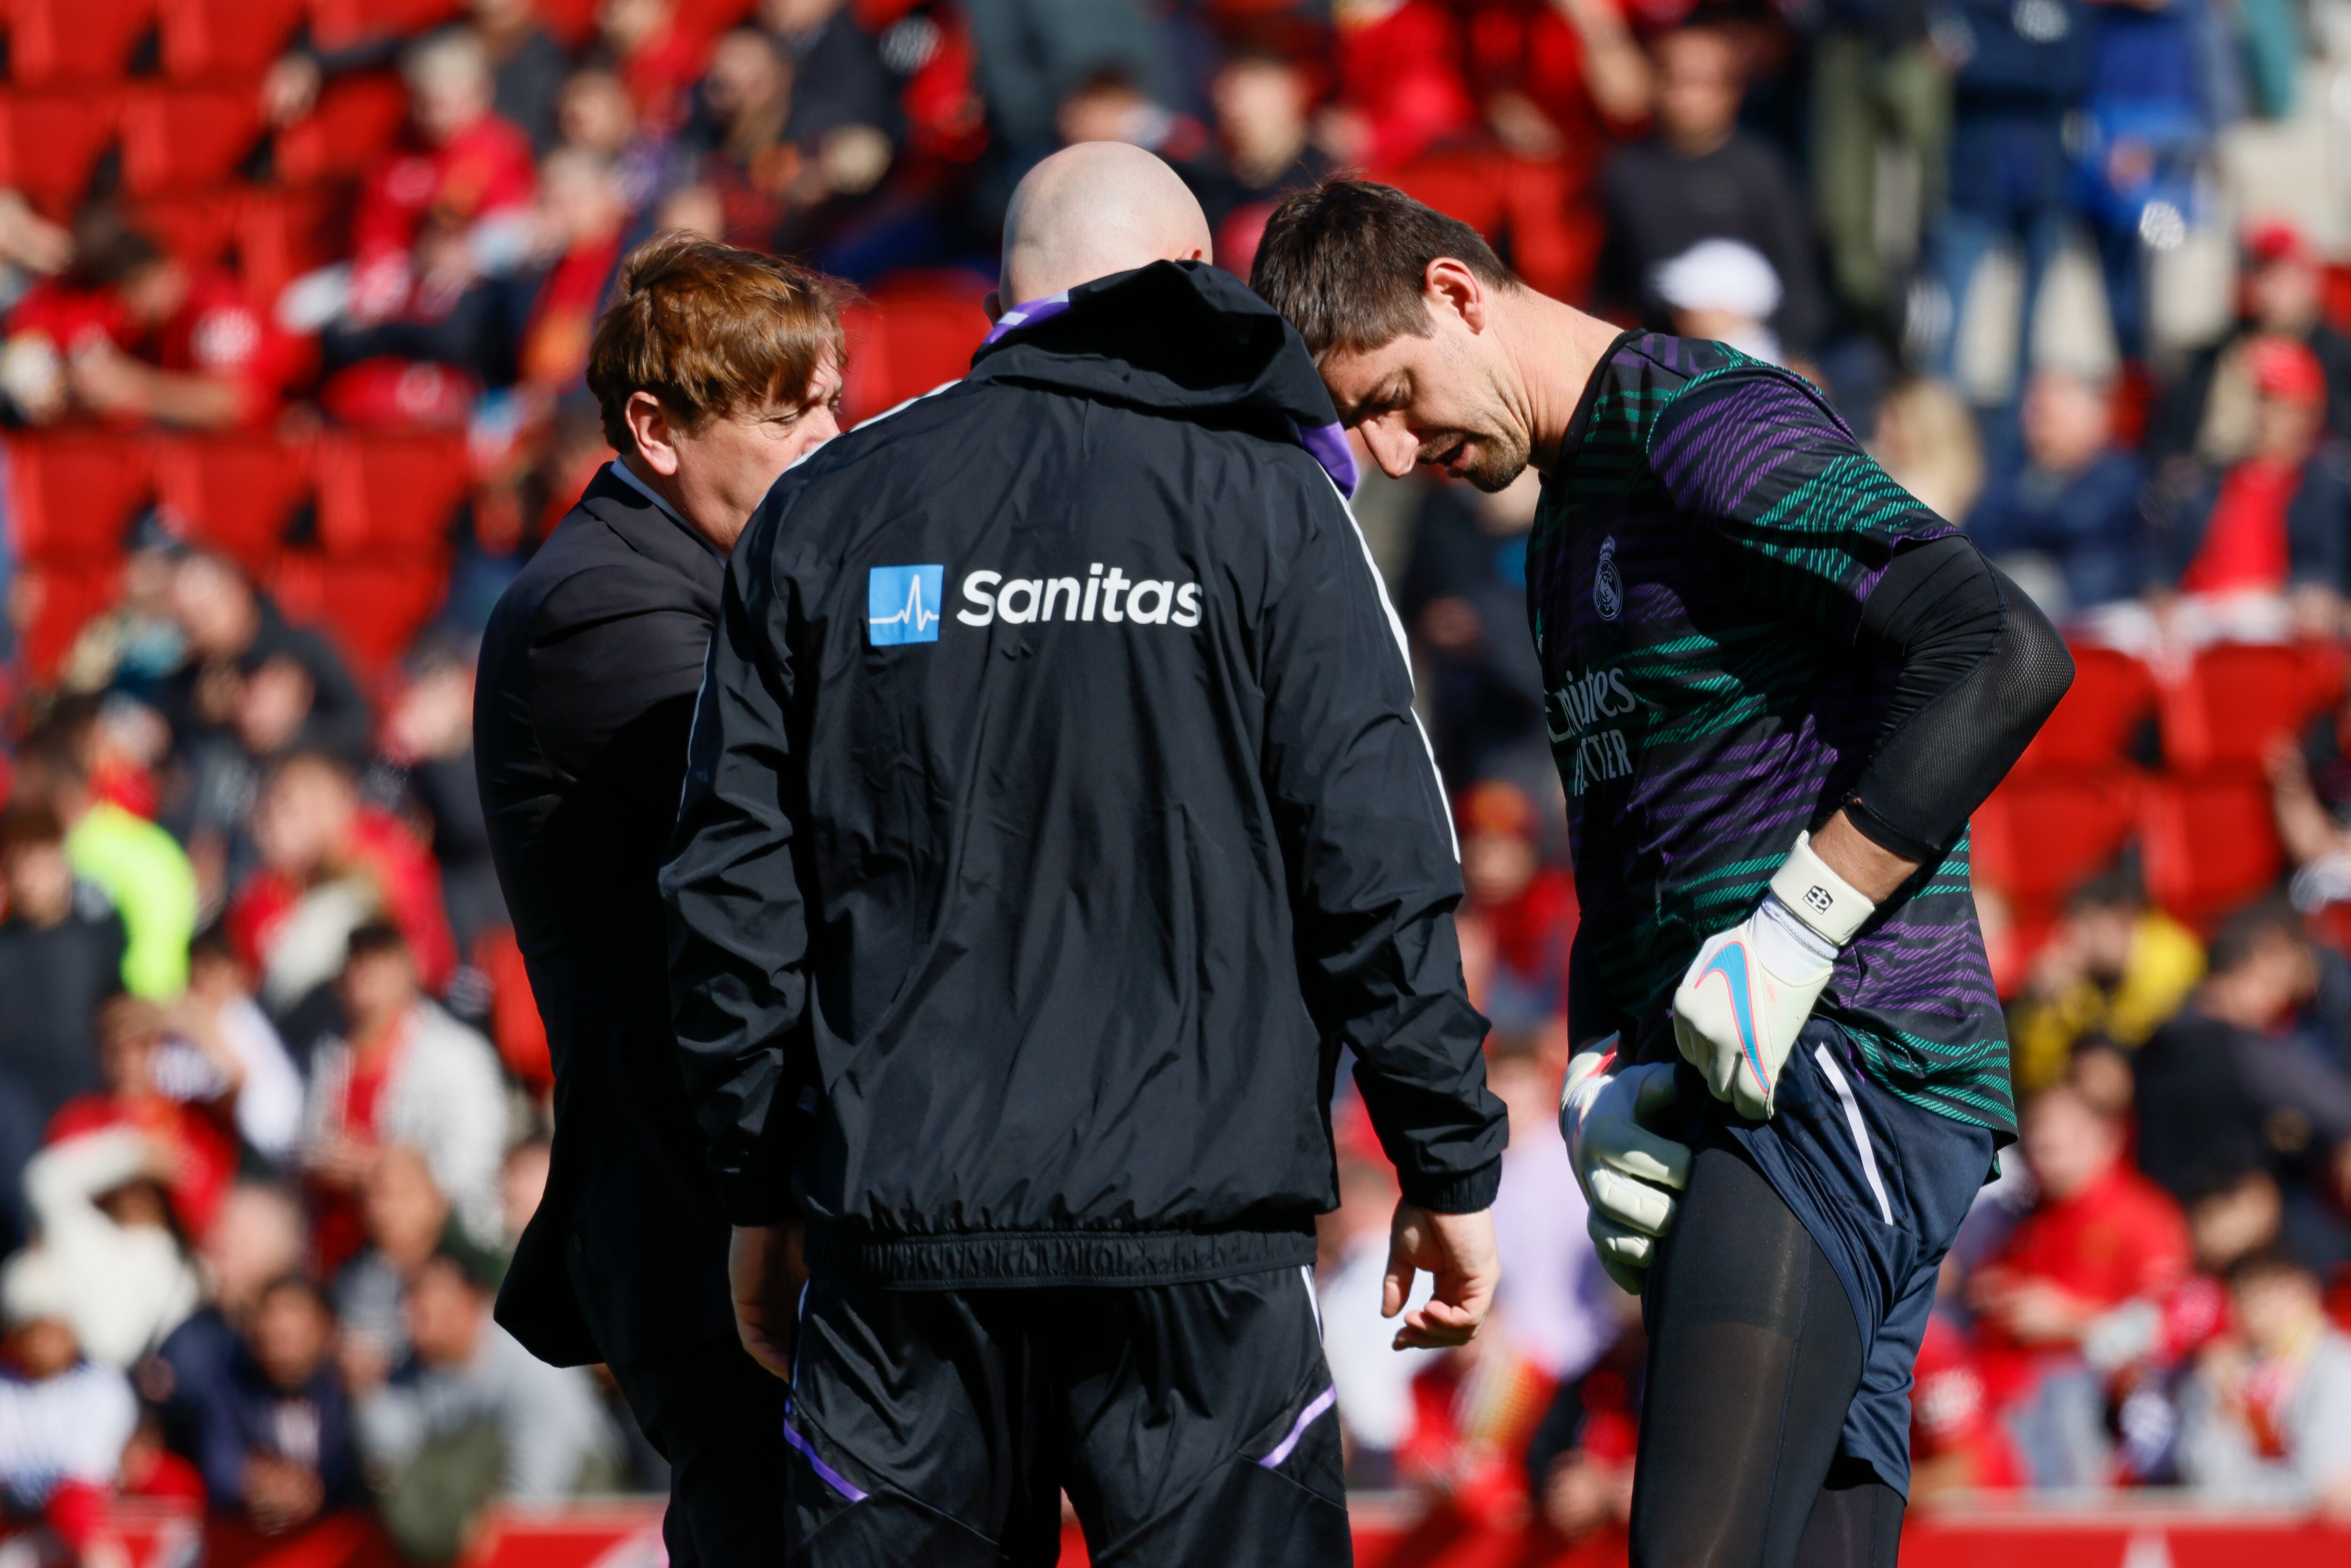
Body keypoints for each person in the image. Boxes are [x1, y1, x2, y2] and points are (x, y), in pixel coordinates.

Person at [662, 142, 1506, 1564]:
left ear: (1010, 296)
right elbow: (1373, 855)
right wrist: (1447, 1161)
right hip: (1198, 1252)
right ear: (1190, 285)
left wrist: (758, 1188)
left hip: (898, 1248)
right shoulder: (1275, 503)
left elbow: (732, 896)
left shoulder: (825, 510)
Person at [1252, 178, 2072, 1568]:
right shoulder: (1570, 504)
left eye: (1389, 394)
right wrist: (1598, 1071)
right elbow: (1634, 829)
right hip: (1745, 1076)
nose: (1390, 451)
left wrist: (1800, 925)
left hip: (1840, 1056)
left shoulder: (1699, 418)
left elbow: (2001, 649)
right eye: (1359, 425)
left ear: (1456, 292)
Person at [474, 232, 846, 1568]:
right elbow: (803, 822)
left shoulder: (712, 575)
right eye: (783, 411)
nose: (826, 438)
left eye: (831, 403)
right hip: (711, 1230)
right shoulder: (603, 607)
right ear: (657, 427)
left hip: (788, 1213)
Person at [349, 1250, 620, 1563]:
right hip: (489, 1522)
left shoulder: (528, 1357)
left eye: (434, 1295)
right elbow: (391, 1453)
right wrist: (365, 1391)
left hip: (578, 1511)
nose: (418, 1310)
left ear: (472, 1299)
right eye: (412, 1297)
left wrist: (492, 1545)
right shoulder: (420, 1367)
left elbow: (536, 1492)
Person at [1596, 23, 1825, 365]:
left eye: (1697, 81)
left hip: (1759, 358)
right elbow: (1607, 285)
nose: (1681, 93)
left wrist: (1796, 351)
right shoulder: (1625, 173)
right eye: (1670, 77)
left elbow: (1799, 273)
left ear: (1731, 90)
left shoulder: (1762, 169)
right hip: (1655, 362)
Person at [300, 924, 505, 1268]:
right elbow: (306, 1140)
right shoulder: (328, 1049)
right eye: (357, 962)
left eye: (379, 961)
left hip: (434, 1253)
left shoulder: (457, 1054)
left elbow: (478, 1158)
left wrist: (381, 1170)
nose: (365, 975)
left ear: (410, 968)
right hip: (337, 1248)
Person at [2006, 865, 2204, 1095]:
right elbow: (2038, 1076)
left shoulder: (2177, 959)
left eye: (2087, 924)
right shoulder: (2079, 982)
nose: (2075, 939)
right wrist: (2041, 1008)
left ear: (2124, 917)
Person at [1966, 368, 2148, 615]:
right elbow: (1981, 526)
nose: (2033, 424)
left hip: (2091, 607)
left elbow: (2077, 523)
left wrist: (2031, 508)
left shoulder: (2118, 471)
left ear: (2088, 419)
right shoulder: (2013, 468)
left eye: (2046, 416)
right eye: (2032, 413)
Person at [2176, 1250, 2351, 1506]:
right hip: (2252, 1525)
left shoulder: (2337, 1366)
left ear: (2308, 1292)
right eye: (2249, 1298)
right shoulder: (2235, 1370)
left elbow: (2322, 1482)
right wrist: (2220, 1401)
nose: (2262, 1311)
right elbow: (2205, 1475)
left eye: (2274, 1295)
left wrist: (2239, 1492)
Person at [0, 805, 126, 1128]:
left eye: (39, 863)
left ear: (63, 862)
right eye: (19, 865)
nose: (29, 878)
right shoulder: (6, 945)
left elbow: (120, 1022)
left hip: (86, 1108)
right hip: (14, 1113)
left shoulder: (102, 937)